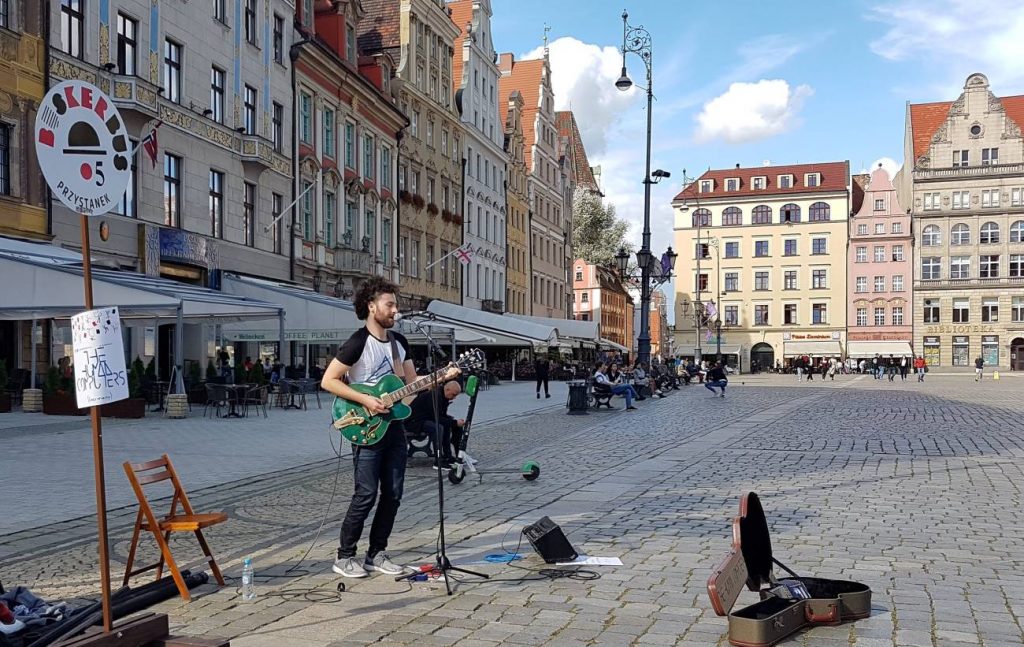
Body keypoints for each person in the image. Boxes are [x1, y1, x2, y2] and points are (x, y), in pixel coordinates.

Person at [320, 277, 417, 579]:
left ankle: (377, 553)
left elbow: (411, 386)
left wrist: (406, 397)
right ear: (371, 306)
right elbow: (329, 380)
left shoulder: (399, 344)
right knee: (365, 494)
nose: (395, 310)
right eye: (390, 304)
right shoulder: (358, 342)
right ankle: (345, 555)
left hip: (394, 428)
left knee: (394, 493)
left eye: (395, 305)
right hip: (366, 428)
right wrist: (366, 400)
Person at [406, 380, 464, 469]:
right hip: (414, 422)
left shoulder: (443, 396)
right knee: (438, 428)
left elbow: (440, 416)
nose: (454, 397)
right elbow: (436, 417)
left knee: (447, 424)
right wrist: (455, 422)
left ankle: (448, 455)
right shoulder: (435, 396)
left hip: (426, 419)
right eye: (453, 394)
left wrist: (453, 422)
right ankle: (438, 460)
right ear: (447, 389)